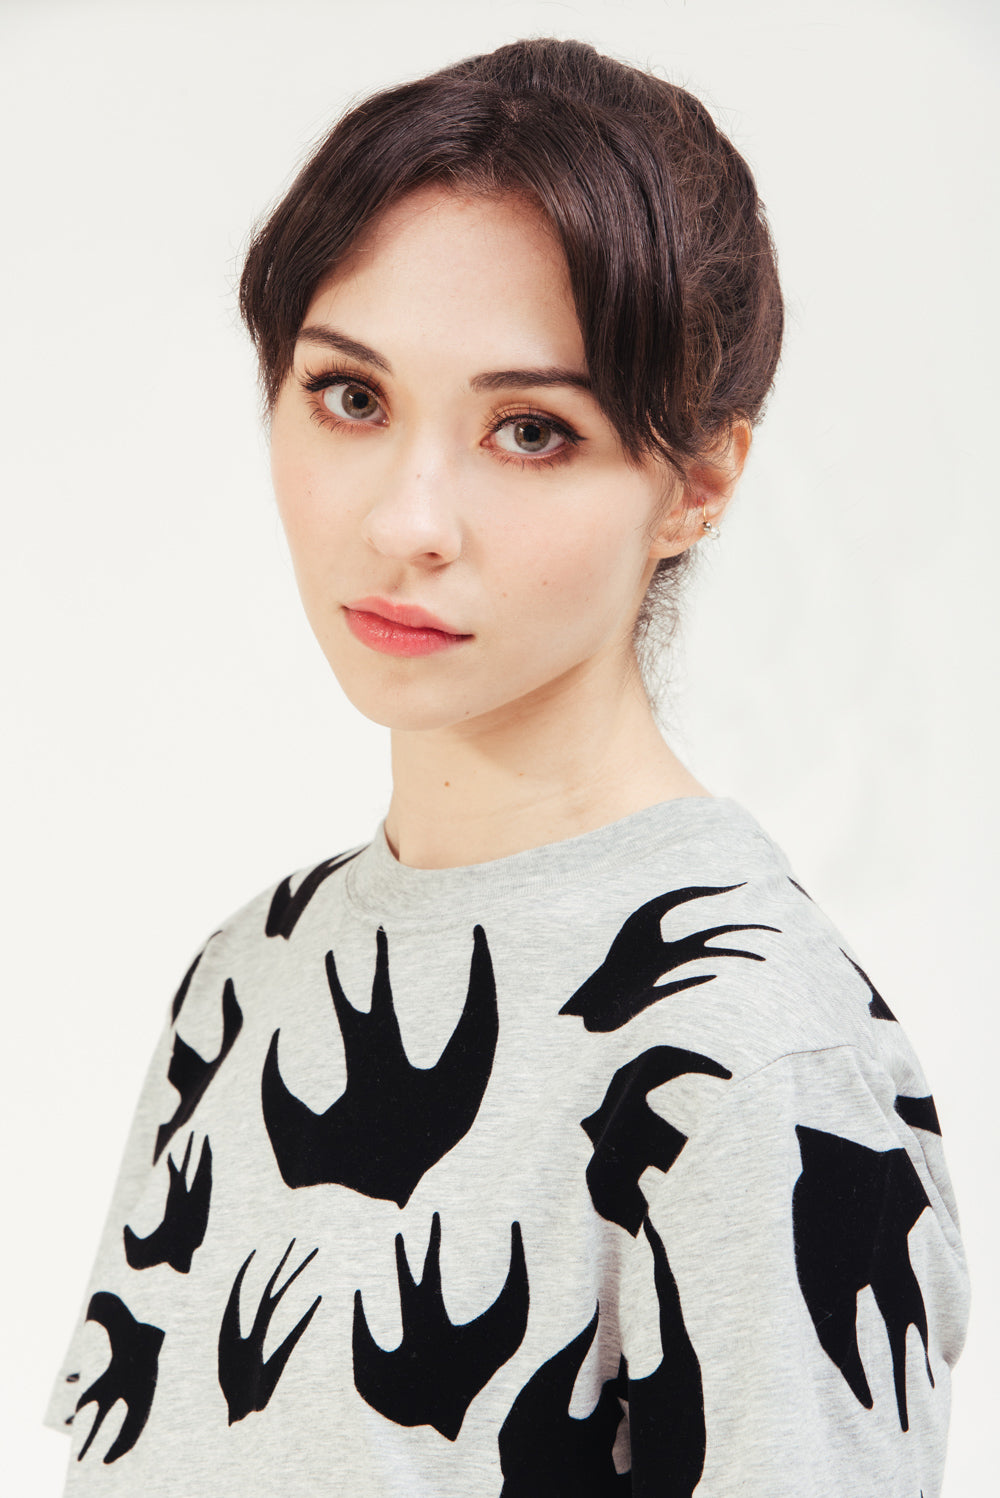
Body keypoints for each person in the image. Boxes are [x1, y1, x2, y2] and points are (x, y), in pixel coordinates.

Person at [45, 36, 968, 1497]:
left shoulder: (758, 1052)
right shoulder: (244, 979)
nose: (407, 520)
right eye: (351, 396)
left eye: (529, 431)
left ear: (700, 481)